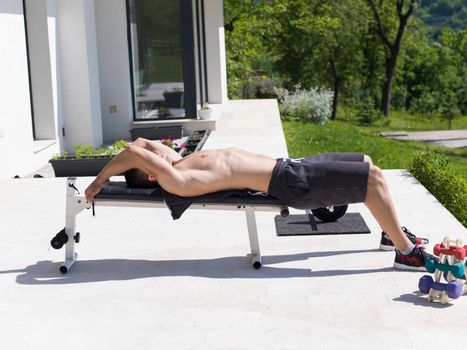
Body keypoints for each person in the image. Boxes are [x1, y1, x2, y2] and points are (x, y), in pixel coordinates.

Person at [85, 137, 435, 271]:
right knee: (372, 179)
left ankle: (391, 234)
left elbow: (138, 144)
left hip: (291, 166)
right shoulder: (178, 178)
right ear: (150, 173)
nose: (157, 148)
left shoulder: (179, 162)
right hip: (292, 183)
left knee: (366, 160)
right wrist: (97, 183)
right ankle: (405, 251)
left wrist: (145, 152)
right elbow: (133, 152)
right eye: (154, 156)